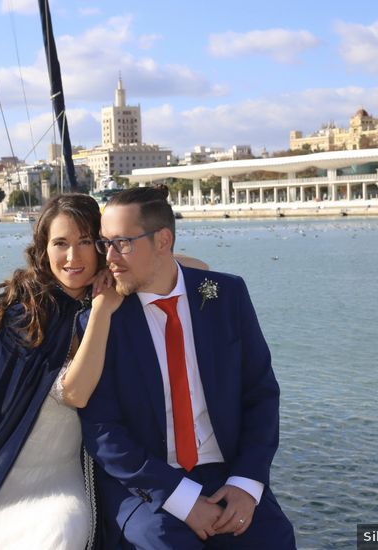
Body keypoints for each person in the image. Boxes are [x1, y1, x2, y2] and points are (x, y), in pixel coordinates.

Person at [79, 186, 296, 549]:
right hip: (147, 485)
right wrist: (181, 498)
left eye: (123, 243)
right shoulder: (102, 320)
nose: (110, 257)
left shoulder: (226, 295)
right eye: (105, 243)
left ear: (163, 241)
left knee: (273, 539)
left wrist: (246, 483)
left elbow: (260, 394)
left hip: (228, 473)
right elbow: (103, 431)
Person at [0, 193, 123, 550]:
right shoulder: (25, 316)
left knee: (61, 530)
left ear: (102, 246)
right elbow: (75, 393)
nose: (73, 257)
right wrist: (103, 310)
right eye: (61, 243)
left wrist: (125, 262)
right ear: (44, 248)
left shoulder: (101, 297)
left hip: (62, 474)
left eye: (85, 242)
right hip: (6, 472)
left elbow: (196, 271)